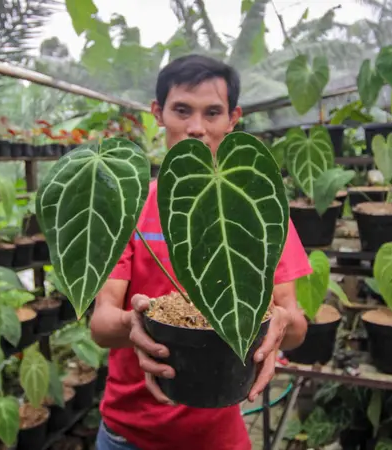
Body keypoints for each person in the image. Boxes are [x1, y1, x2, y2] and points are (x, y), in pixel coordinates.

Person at [90, 54, 312, 450]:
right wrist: (133, 325)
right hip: (128, 433)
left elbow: (294, 326)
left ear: (233, 118)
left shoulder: (259, 209)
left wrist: (280, 322)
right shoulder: (130, 207)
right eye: (181, 110)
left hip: (216, 435)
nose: (197, 128)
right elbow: (102, 323)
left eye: (213, 112)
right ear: (158, 113)